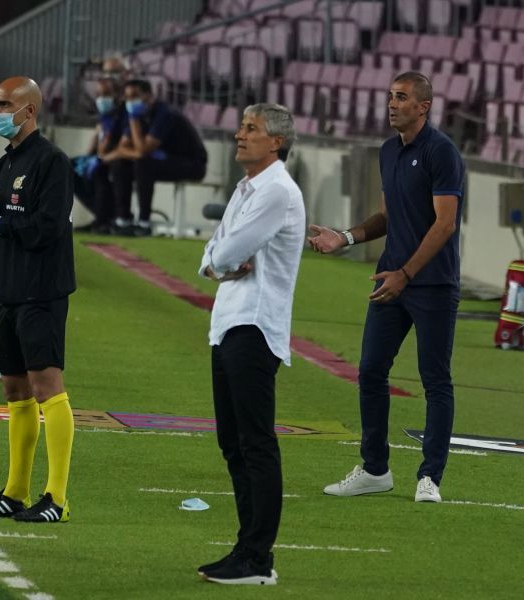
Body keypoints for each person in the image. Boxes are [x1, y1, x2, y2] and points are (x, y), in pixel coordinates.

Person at [309, 71, 464, 504]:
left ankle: (430, 475)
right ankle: (375, 469)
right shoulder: (388, 151)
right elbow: (389, 215)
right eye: (389, 97)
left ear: (424, 106)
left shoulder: (442, 152)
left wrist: (407, 274)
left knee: (435, 379)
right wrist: (347, 237)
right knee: (371, 370)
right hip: (391, 277)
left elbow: (445, 223)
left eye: (401, 97)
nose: (392, 104)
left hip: (431, 283)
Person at [196, 103, 304, 585]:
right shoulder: (248, 188)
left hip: (255, 325)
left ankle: (258, 558)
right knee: (233, 442)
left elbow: (229, 251)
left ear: (276, 142)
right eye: (241, 126)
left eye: (252, 129)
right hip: (229, 323)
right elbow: (214, 254)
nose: (240, 135)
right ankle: (246, 547)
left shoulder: (277, 190)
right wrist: (219, 262)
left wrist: (220, 261)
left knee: (255, 442)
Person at [0, 76, 76, 524]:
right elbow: (4, 234)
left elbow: (47, 228)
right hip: (7, 291)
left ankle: (58, 498)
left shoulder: (52, 162)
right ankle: (15, 491)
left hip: (41, 292)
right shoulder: (5, 163)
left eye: (5, 104)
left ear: (29, 111)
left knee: (47, 386)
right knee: (14, 389)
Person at [100, 79, 207, 236]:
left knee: (143, 164)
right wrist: (124, 153)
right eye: (127, 98)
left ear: (149, 96)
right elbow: (124, 146)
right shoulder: (138, 114)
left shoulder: (164, 114)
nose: (131, 101)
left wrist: (133, 122)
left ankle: (144, 222)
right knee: (119, 164)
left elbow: (142, 150)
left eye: (135, 96)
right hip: (162, 160)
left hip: (192, 164)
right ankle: (123, 220)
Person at [74, 77, 131, 233]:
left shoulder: (124, 114)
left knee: (101, 171)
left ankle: (104, 219)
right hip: (103, 158)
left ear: (117, 95)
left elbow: (123, 144)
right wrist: (86, 158)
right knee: (70, 168)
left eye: (106, 94)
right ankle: (103, 216)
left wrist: (100, 157)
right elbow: (99, 136)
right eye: (98, 94)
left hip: (121, 159)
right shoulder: (105, 115)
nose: (101, 99)